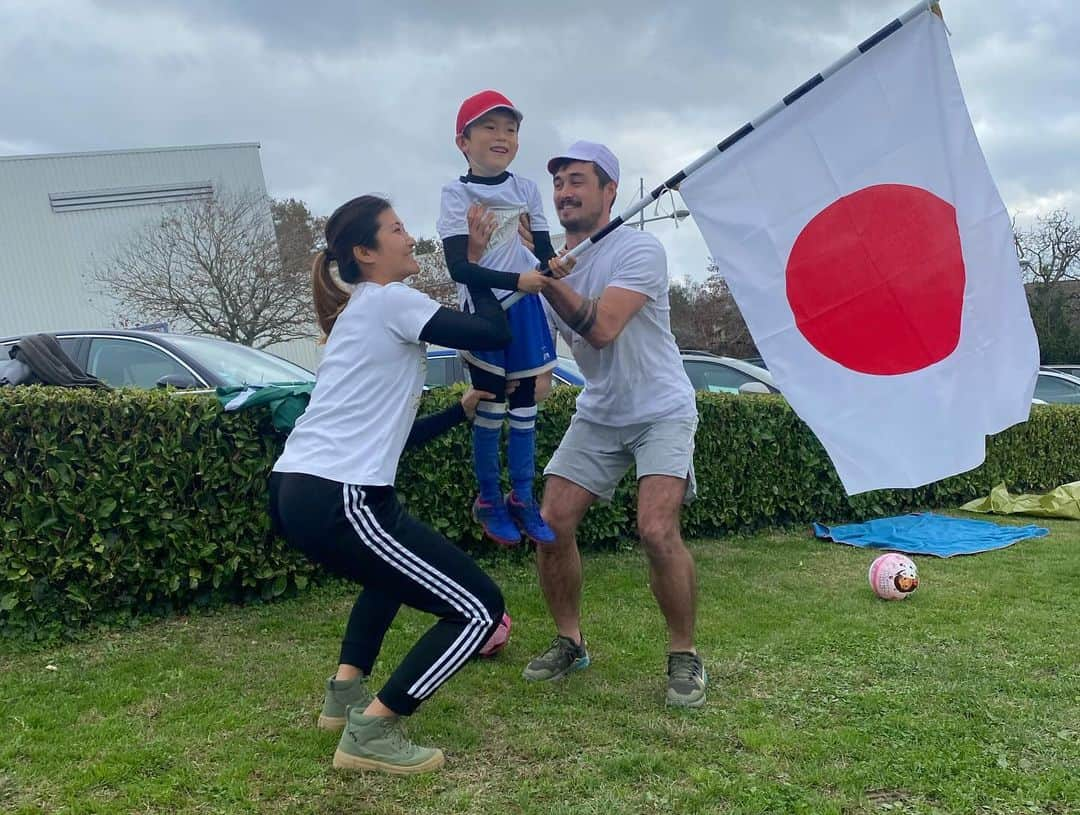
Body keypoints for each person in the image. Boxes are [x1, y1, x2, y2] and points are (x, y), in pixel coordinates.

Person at [268, 195, 511, 775]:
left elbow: (389, 436)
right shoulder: (392, 301)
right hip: (340, 495)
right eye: (398, 229)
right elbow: (493, 333)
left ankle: (344, 696)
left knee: (388, 576)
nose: (410, 238)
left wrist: (460, 412)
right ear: (366, 252)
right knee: (479, 609)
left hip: (296, 490)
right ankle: (372, 731)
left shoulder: (360, 312)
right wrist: (473, 268)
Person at [528, 141, 707, 708]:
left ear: (609, 192)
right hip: (600, 411)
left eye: (578, 181)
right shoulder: (552, 264)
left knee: (656, 530)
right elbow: (544, 354)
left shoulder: (639, 250)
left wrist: (550, 283)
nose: (565, 192)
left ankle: (684, 654)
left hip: (661, 408)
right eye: (558, 184)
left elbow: (602, 328)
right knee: (552, 523)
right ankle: (570, 641)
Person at [436, 89, 559, 548]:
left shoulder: (527, 189)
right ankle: (488, 497)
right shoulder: (455, 193)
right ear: (462, 141)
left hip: (525, 307)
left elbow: (544, 254)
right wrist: (519, 279)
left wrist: (555, 265)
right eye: (489, 127)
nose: (502, 136)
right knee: (490, 401)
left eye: (510, 128)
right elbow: (459, 269)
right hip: (485, 307)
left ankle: (523, 497)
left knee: (526, 401)